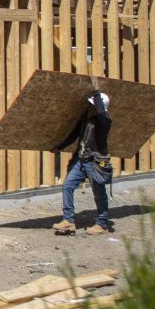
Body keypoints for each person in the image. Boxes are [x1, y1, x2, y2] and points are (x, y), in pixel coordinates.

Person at [52, 90, 113, 235]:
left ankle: (102, 224)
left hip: (95, 162)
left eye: (93, 105)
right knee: (67, 186)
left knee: (99, 194)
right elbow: (74, 134)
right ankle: (68, 221)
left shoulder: (105, 121)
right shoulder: (86, 118)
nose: (90, 107)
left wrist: (96, 91)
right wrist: (60, 147)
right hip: (81, 160)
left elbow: (100, 111)